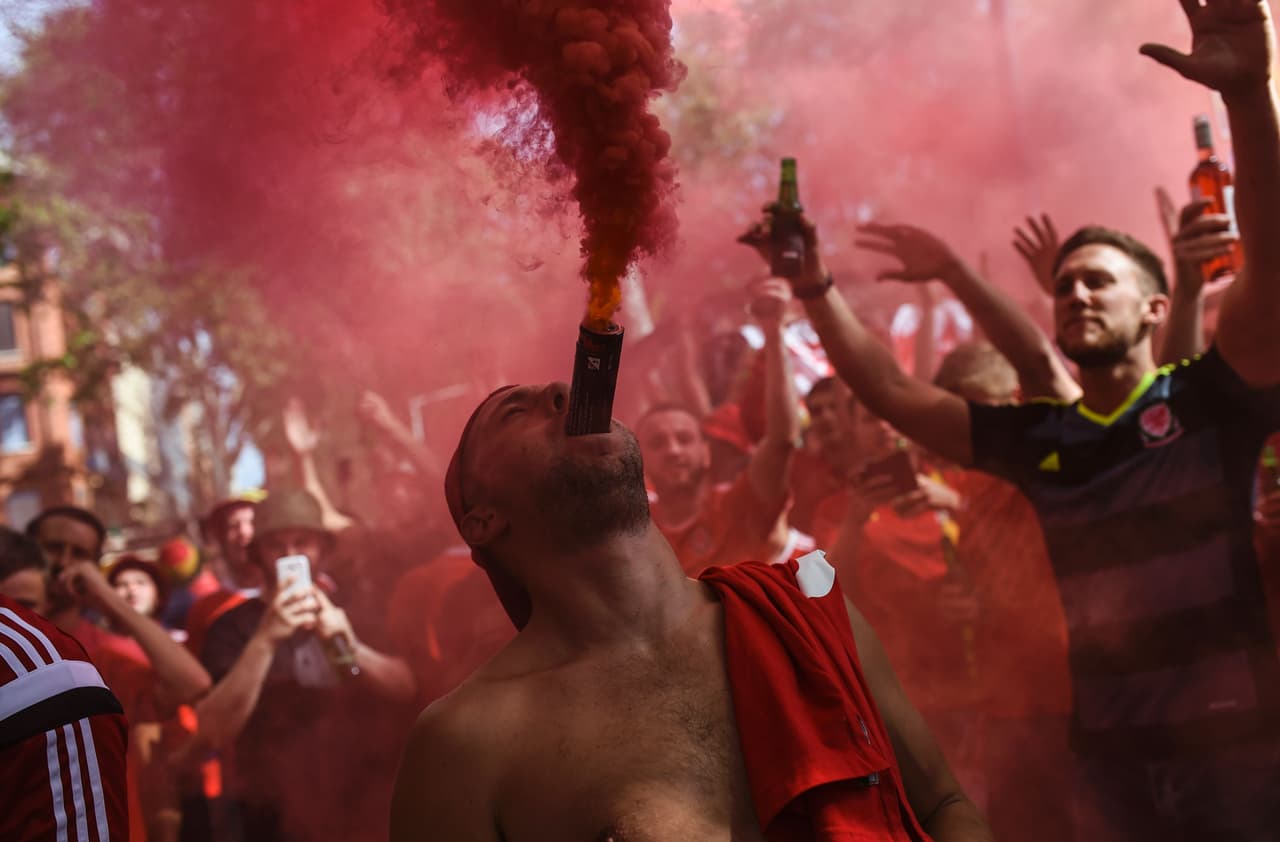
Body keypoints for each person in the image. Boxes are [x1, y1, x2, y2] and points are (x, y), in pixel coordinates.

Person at [762, 3, 1280, 836]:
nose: (1074, 292)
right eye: (1064, 284)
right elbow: (896, 395)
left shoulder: (1210, 400)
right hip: (1109, 774)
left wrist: (1251, 99)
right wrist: (817, 289)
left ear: (1155, 307)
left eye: (1098, 281)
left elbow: (1275, 259)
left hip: (1241, 759)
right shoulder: (1051, 442)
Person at [390, 382, 993, 841]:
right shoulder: (467, 745)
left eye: (557, 391)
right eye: (514, 412)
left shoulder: (807, 604)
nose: (560, 391)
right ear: (482, 520)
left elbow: (942, 803)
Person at [194, 488, 416, 842]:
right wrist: (265, 639)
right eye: (276, 546)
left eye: (303, 542)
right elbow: (213, 729)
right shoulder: (232, 627)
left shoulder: (352, 609)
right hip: (271, 812)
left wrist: (350, 646)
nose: (291, 555)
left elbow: (407, 690)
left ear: (323, 549)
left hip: (361, 801)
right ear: (258, 554)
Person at [637, 278, 801, 575]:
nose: (673, 450)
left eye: (685, 439)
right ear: (639, 460)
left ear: (706, 451)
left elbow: (781, 440)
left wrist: (774, 332)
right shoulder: (633, 535)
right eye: (658, 443)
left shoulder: (739, 509)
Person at [1, 527, 129, 842]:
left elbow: (192, 684)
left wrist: (107, 597)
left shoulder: (48, 675)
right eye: (54, 546)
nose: (64, 563)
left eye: (80, 554)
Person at [108, 555, 166, 621]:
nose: (132, 589)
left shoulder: (173, 631)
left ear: (158, 596)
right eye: (122, 584)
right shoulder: (97, 630)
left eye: (141, 582)